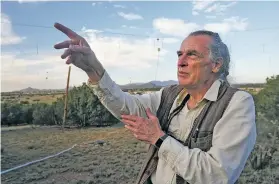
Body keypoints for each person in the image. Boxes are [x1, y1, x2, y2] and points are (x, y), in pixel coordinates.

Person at [54, 22, 257, 184]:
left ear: (216, 64)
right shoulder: (169, 95)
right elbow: (126, 106)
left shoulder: (237, 102)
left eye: (192, 54)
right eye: (180, 54)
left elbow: (216, 176)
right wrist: (93, 69)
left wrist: (158, 138)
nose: (181, 61)